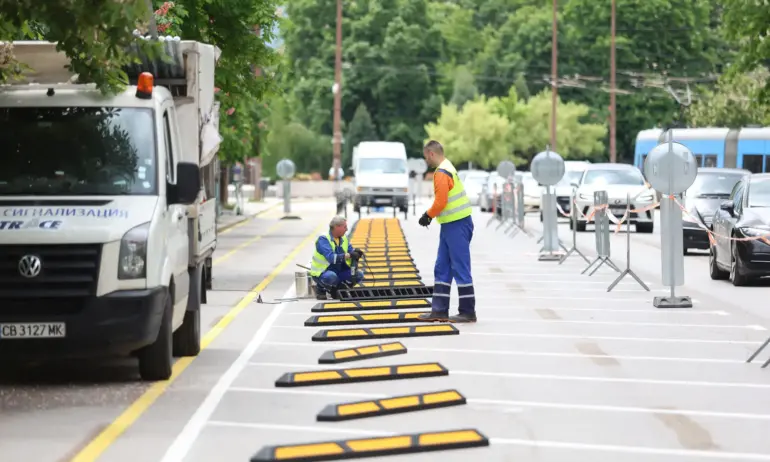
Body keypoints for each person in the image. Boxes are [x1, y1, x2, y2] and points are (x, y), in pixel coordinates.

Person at [417, 140, 477, 323]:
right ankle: (439, 310)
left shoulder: (442, 172)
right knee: (442, 268)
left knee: (460, 267)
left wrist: (427, 215)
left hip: (457, 225)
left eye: (426, 156)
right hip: (450, 225)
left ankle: (467, 311)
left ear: (431, 153)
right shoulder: (447, 166)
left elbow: (441, 202)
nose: (426, 160)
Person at [310, 215, 365, 300]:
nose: (346, 229)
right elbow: (331, 258)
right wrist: (349, 255)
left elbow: (350, 250)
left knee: (358, 275)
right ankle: (321, 288)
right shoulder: (323, 240)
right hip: (323, 272)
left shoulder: (343, 239)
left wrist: (356, 252)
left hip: (339, 271)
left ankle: (339, 288)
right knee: (331, 277)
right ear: (337, 227)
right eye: (345, 227)